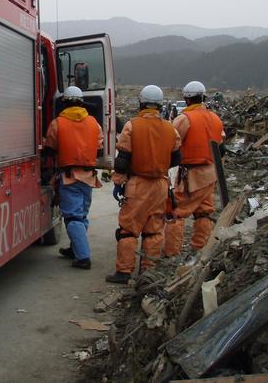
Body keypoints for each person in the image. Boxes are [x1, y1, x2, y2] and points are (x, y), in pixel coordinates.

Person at [105, 85, 181, 284]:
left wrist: (118, 182)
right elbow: (176, 158)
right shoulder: (170, 128)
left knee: (128, 229)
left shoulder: (132, 126)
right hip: (160, 185)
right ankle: (148, 271)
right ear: (159, 104)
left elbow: (123, 159)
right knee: (154, 230)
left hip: (138, 183)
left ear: (141, 102)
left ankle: (124, 272)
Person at [43, 86, 103, 269]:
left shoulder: (58, 123)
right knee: (81, 215)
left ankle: (83, 257)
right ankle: (75, 248)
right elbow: (99, 150)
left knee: (73, 217)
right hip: (88, 177)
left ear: (65, 102)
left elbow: (49, 149)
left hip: (69, 177)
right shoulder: (94, 123)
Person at [164, 80, 225, 257]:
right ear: (203, 97)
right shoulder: (215, 118)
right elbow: (220, 146)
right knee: (203, 213)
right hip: (211, 172)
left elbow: (171, 143)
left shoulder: (184, 119)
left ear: (187, 99)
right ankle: (200, 249)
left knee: (177, 212)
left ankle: (171, 253)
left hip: (191, 174)